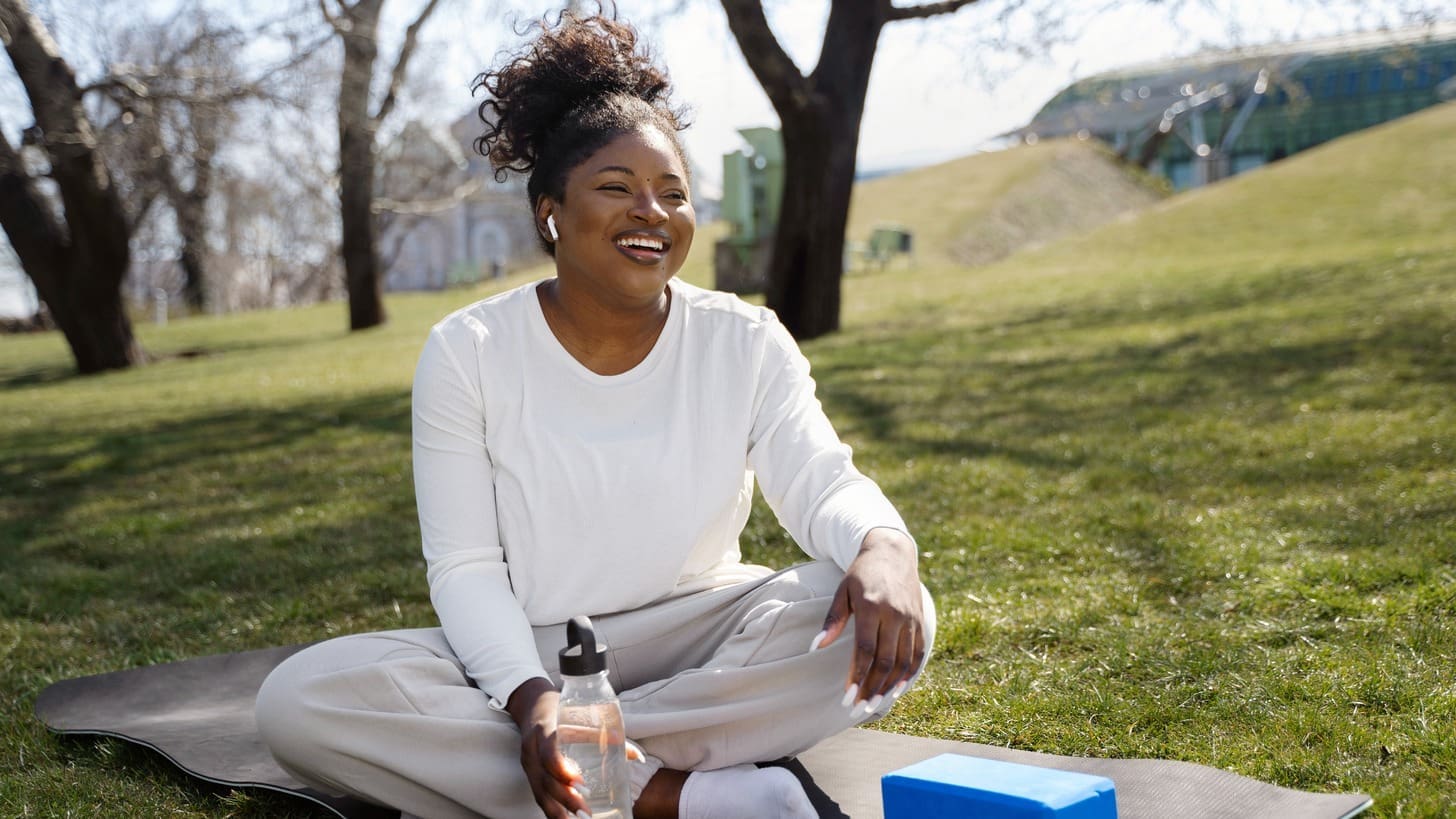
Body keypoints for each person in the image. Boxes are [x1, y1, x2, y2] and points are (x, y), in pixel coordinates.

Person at [255, 9, 934, 819]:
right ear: (551, 212)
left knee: (891, 607)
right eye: (617, 188)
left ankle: (578, 776)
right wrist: (530, 697)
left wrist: (885, 544)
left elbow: (822, 478)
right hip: (540, 647)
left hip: (704, 632)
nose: (652, 212)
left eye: (673, 194)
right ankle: (680, 796)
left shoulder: (745, 339)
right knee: (301, 698)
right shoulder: (468, 349)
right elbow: (467, 567)